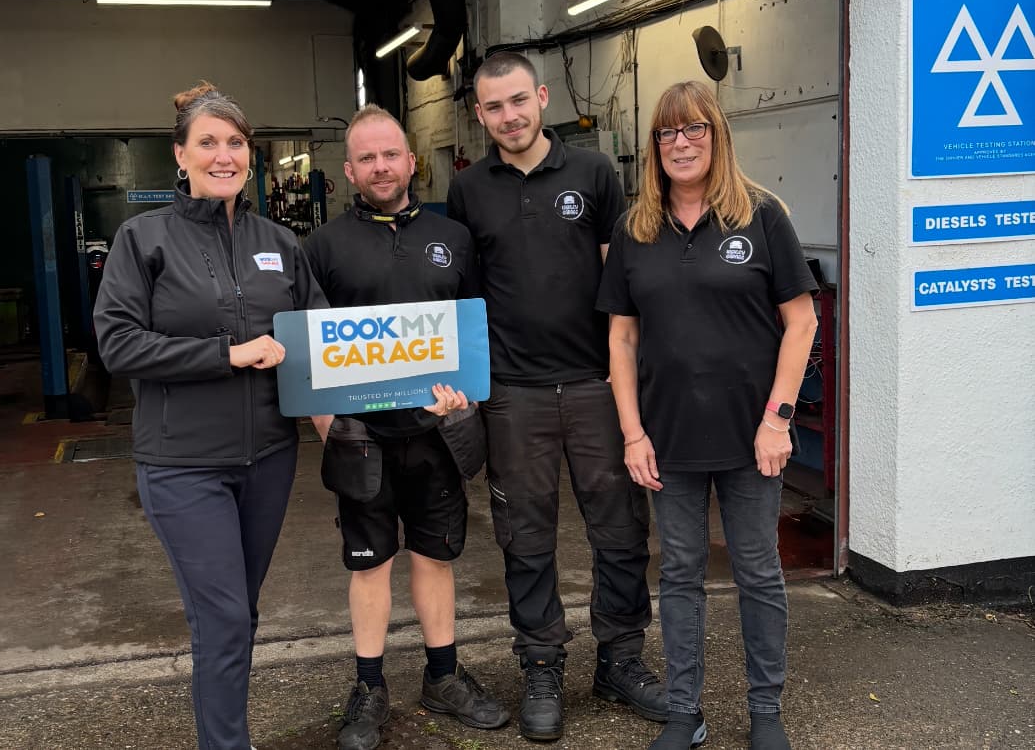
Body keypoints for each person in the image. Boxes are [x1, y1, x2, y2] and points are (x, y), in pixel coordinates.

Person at [94, 81, 327, 750]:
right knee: (223, 616)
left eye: (235, 142)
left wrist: (413, 385)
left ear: (250, 155)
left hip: (268, 461)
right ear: (181, 154)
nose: (223, 155)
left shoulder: (280, 242)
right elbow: (117, 344)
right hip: (182, 465)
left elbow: (320, 346)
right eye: (208, 142)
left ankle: (228, 735)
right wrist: (226, 353)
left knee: (238, 615)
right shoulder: (143, 239)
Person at [446, 51, 666, 743]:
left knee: (622, 528)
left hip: (597, 386)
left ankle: (620, 659)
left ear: (540, 97)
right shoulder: (467, 190)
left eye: (518, 100)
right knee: (524, 535)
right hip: (513, 393)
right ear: (478, 115)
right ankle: (540, 661)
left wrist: (632, 373)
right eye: (493, 106)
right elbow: (464, 296)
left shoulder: (594, 172)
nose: (508, 116)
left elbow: (621, 274)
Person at [597, 80, 818, 750]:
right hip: (668, 439)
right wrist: (632, 432)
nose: (680, 142)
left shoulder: (761, 216)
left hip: (754, 440)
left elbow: (801, 321)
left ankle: (764, 712)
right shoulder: (634, 229)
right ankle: (683, 712)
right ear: (653, 147)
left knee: (757, 572)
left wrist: (777, 418)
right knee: (681, 576)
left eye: (693, 129)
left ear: (716, 135)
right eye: (666, 133)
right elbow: (621, 338)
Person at [306, 104, 510, 750]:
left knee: (434, 556)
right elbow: (309, 352)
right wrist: (327, 427)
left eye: (390, 153)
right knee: (369, 565)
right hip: (360, 439)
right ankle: (368, 685)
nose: (380, 166)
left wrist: (465, 398)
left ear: (410, 159)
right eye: (366, 157)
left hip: (435, 436)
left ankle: (442, 675)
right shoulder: (320, 247)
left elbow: (471, 336)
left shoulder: (452, 237)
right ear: (347, 171)